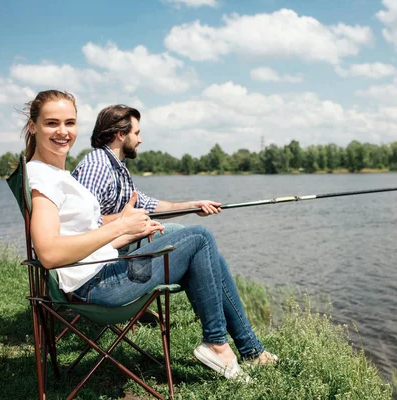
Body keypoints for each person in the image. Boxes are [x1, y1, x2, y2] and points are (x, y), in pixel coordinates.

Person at [21, 89, 277, 381]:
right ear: (33, 126)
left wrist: (137, 228)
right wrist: (121, 227)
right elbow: (50, 253)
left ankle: (247, 349)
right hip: (97, 286)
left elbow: (106, 226)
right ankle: (222, 345)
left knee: (197, 243)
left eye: (70, 123)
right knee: (199, 239)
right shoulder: (45, 178)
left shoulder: (58, 175)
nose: (63, 131)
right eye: (52, 123)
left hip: (101, 269)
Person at [71, 104, 220, 255]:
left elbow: (147, 205)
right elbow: (82, 224)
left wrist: (193, 206)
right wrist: (127, 221)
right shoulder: (97, 166)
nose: (140, 140)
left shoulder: (118, 167)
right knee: (199, 236)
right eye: (136, 133)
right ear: (121, 135)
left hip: (115, 244)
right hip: (100, 255)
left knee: (183, 233)